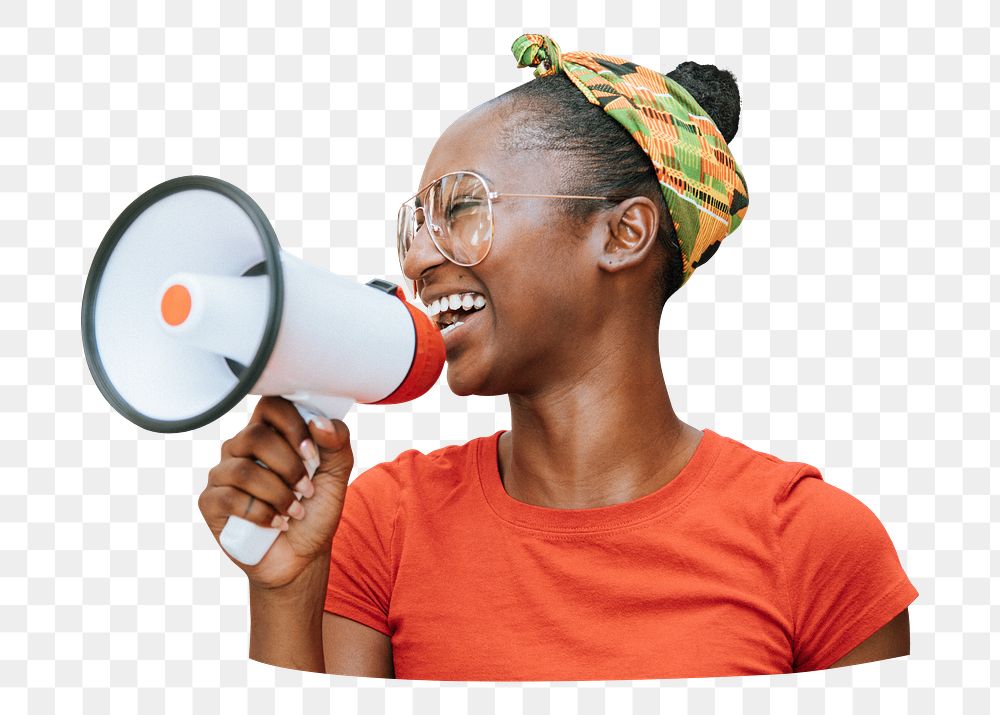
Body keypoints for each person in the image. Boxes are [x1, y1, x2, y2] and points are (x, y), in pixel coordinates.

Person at [197, 34, 918, 680]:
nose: (417, 258)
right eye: (412, 226)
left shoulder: (817, 543)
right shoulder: (381, 522)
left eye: (461, 208)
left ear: (623, 234)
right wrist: (286, 590)